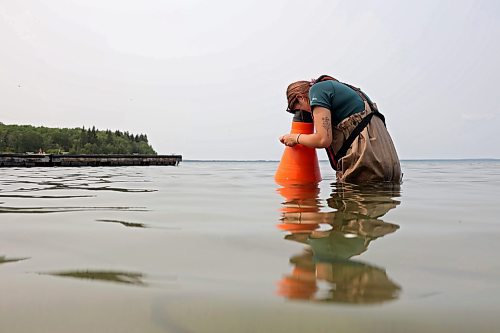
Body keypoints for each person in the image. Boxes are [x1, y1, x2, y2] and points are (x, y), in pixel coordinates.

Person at [279, 75, 402, 183]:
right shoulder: (341, 89)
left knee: (350, 206)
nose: (304, 112)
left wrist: (294, 138)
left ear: (300, 97)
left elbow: (323, 140)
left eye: (297, 109)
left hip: (368, 163)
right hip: (390, 165)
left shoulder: (317, 91)